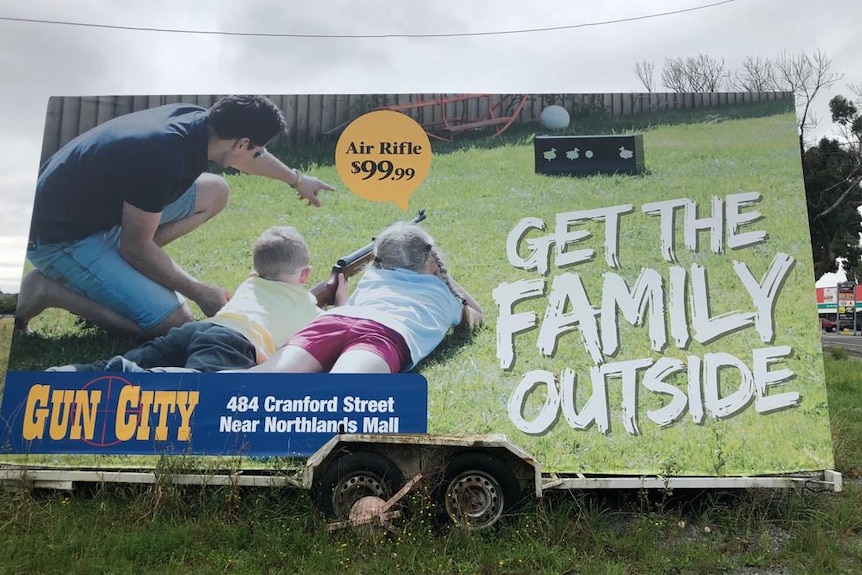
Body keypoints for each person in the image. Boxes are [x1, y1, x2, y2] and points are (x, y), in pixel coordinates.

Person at [17, 95, 335, 338]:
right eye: (255, 150)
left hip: (97, 211)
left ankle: (116, 270)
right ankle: (47, 290)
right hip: (59, 239)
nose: (257, 156)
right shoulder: (161, 156)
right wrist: (200, 291)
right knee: (175, 325)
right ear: (241, 142)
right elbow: (135, 246)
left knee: (215, 190)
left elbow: (249, 156)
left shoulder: (197, 121)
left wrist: (296, 179)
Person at [48, 226, 321, 373]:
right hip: (236, 343)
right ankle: (139, 379)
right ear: (305, 274)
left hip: (201, 328)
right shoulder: (307, 304)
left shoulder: (250, 283)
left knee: (145, 356)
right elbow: (330, 325)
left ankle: (74, 372)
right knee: (203, 386)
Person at [247, 221, 483, 374]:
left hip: (335, 320)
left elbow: (352, 325)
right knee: (342, 391)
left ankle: (211, 381)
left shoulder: (372, 279)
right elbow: (477, 316)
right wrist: (446, 278)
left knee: (264, 376)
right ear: (431, 263)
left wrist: (341, 301)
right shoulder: (444, 295)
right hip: (386, 334)